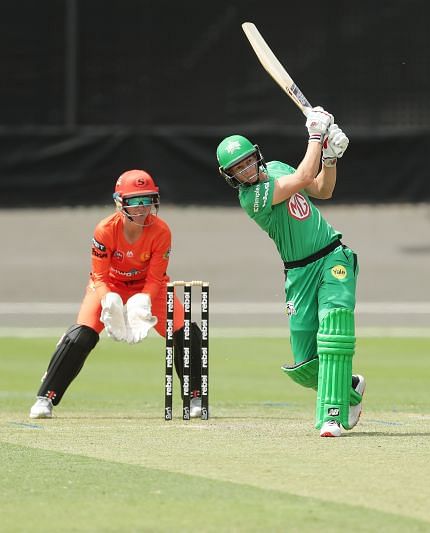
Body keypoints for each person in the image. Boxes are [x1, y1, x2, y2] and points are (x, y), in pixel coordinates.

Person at [215, 107, 365, 438]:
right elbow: (299, 179)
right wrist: (316, 136)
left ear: (257, 156)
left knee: (334, 327)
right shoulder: (251, 197)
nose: (245, 170)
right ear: (232, 177)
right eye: (237, 169)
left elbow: (323, 190)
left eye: (246, 162)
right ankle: (350, 388)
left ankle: (331, 416)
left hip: (331, 256)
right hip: (298, 274)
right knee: (305, 364)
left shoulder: (278, 168)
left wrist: (329, 157)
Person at [29, 170, 204, 419]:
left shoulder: (161, 231)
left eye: (147, 200)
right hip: (109, 285)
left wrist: (143, 299)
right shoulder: (105, 229)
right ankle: (45, 398)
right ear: (119, 203)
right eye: (134, 201)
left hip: (150, 288)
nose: (142, 208)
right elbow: (99, 275)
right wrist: (108, 297)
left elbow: (156, 277)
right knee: (80, 337)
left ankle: (195, 397)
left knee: (186, 332)